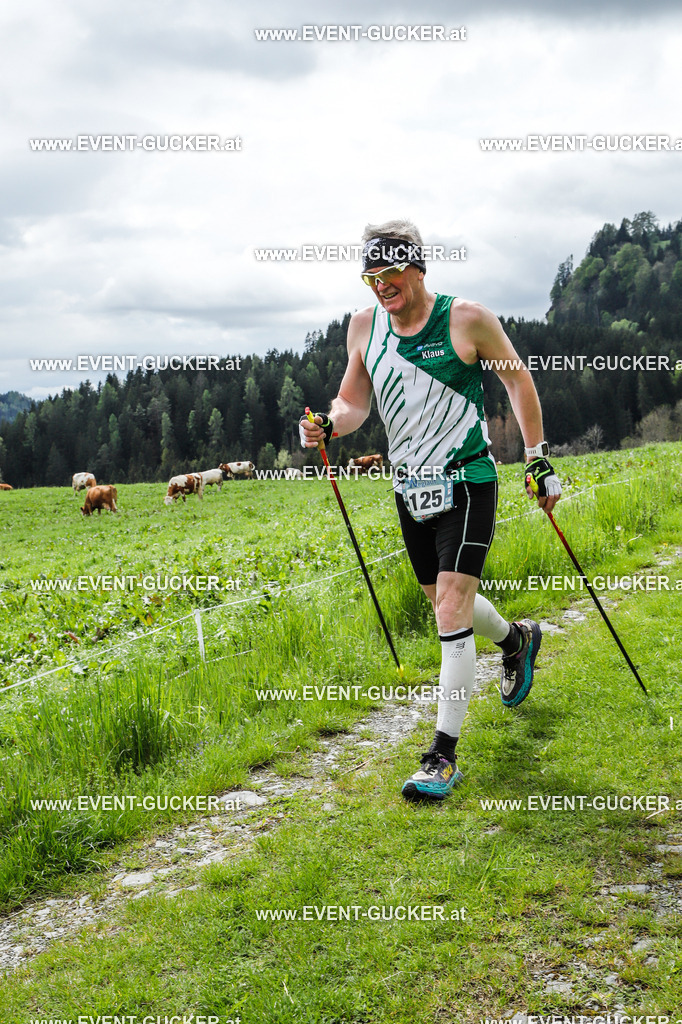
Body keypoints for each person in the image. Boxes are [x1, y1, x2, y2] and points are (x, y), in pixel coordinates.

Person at [300, 219, 561, 802]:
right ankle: (516, 641)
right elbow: (353, 403)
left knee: (449, 607)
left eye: (390, 272)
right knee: (446, 604)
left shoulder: (467, 319)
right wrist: (326, 426)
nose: (380, 285)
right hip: (408, 488)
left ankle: (441, 755)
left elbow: (518, 384)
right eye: (370, 275)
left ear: (416, 266)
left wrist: (538, 459)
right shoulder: (364, 327)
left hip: (468, 479)